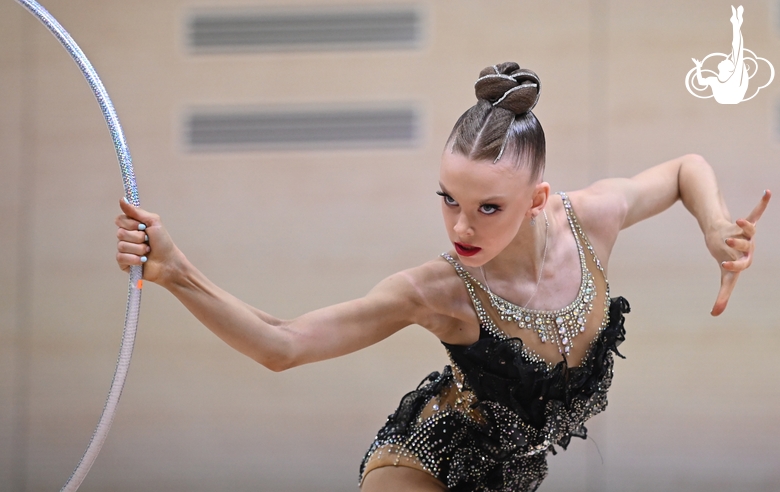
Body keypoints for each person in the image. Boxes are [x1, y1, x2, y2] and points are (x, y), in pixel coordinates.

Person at [115, 62, 770, 491]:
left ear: (538, 201)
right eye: (448, 199)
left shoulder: (591, 220)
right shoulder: (439, 289)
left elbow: (686, 168)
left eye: (489, 207)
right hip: (422, 464)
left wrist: (714, 225)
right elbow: (282, 344)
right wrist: (176, 271)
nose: (461, 227)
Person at [692, 5, 749, 104]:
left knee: (737, 50)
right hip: (729, 97)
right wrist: (698, 67)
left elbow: (737, 49)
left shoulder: (732, 78)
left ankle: (736, 23)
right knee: (737, 51)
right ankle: (736, 23)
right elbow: (701, 82)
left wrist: (698, 68)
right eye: (728, 61)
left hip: (731, 97)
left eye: (727, 61)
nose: (725, 59)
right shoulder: (717, 80)